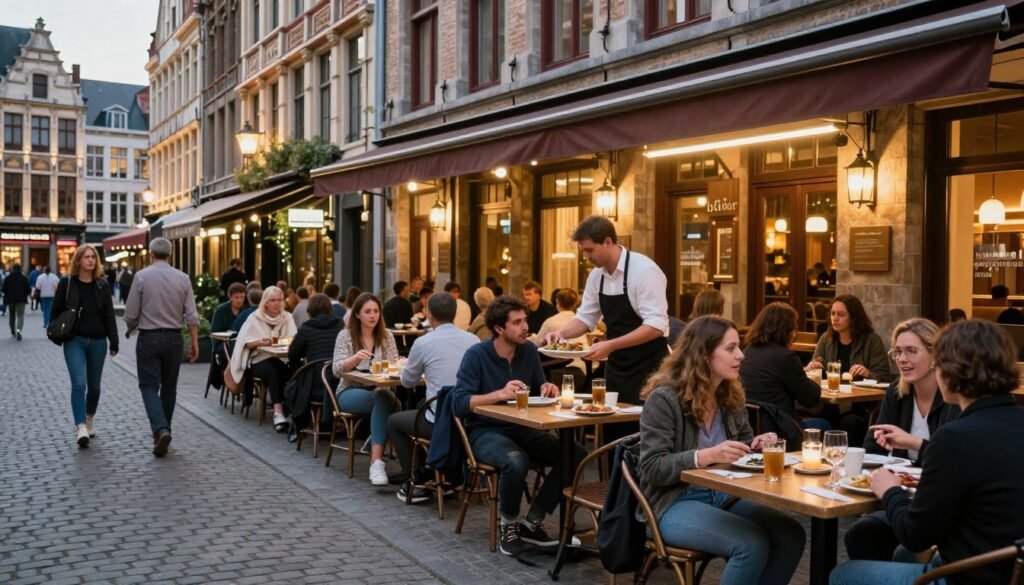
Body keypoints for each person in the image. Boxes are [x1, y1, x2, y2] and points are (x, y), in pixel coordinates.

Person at [830, 319, 1024, 585]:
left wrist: (890, 490)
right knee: (896, 551)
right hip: (1010, 567)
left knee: (843, 575)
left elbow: (915, 535)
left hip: (969, 576)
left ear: (949, 372)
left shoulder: (955, 438)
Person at [638, 316, 806, 585]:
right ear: (703, 354)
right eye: (731, 348)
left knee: (791, 534)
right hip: (674, 502)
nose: (741, 355)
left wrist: (756, 446)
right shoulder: (665, 398)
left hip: (725, 495)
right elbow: (652, 468)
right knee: (750, 544)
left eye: (739, 346)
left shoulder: (730, 394)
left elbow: (742, 445)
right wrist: (705, 456)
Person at [451, 295, 585, 556]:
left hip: (524, 428)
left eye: (525, 320)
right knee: (515, 460)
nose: (525, 327)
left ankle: (532, 521)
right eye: (517, 322)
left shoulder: (529, 351)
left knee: (575, 454)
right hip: (485, 431)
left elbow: (538, 387)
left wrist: (547, 387)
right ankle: (509, 525)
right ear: (499, 328)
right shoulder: (477, 355)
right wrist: (498, 394)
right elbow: (459, 403)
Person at [843, 317, 961, 562]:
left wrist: (912, 442)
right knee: (861, 533)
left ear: (935, 354)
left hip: (938, 501)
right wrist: (880, 443)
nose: (902, 359)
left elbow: (952, 461)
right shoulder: (897, 392)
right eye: (897, 352)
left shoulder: (953, 397)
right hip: (902, 494)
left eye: (911, 351)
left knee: (899, 546)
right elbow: (871, 447)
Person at [545, 216, 670, 441]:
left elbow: (656, 326)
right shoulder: (596, 276)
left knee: (645, 434)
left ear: (608, 242)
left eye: (589, 250)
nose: (586, 257)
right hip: (617, 368)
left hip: (650, 367)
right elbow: (586, 318)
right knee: (614, 433)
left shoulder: (644, 271)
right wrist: (562, 333)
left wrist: (610, 345)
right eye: (583, 251)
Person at [388, 292, 479, 500]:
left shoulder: (423, 343)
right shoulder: (473, 340)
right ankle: (437, 471)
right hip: (469, 418)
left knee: (394, 421)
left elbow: (407, 382)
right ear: (455, 313)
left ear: (429, 315)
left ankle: (416, 478)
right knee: (423, 403)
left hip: (440, 421)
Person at [124, 238, 199, 457]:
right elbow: (191, 315)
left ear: (151, 254)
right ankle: (164, 430)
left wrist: (130, 328)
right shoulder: (183, 278)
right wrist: (194, 341)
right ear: (170, 255)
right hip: (174, 338)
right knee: (169, 387)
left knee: (148, 386)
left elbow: (131, 313)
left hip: (149, 337)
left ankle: (160, 429)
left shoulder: (141, 276)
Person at [53, 246, 118, 447]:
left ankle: (89, 417)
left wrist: (114, 340)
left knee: (95, 387)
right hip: (75, 340)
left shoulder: (102, 285)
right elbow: (55, 312)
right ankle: (81, 426)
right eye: (86, 257)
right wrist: (60, 331)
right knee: (79, 383)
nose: (91, 260)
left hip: (98, 341)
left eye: (93, 257)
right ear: (78, 260)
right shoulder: (67, 283)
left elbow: (109, 314)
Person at [332, 293, 400, 485]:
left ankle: (375, 450)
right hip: (349, 390)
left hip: (380, 389)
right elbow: (336, 369)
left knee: (386, 397)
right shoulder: (345, 336)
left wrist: (399, 365)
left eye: (376, 311)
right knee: (389, 401)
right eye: (367, 311)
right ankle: (376, 462)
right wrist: (355, 358)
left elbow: (394, 365)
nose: (372, 315)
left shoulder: (387, 336)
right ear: (357, 314)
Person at [806, 294, 892, 444]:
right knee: (820, 421)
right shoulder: (826, 339)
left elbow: (885, 376)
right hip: (830, 405)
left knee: (850, 422)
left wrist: (868, 373)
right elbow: (814, 366)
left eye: (841, 314)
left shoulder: (871, 340)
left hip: (860, 407)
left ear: (853, 318)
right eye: (833, 313)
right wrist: (814, 367)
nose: (835, 318)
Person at [740, 302, 827, 428]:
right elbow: (810, 399)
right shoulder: (786, 357)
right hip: (781, 427)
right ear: (787, 330)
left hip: (752, 426)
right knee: (825, 424)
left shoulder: (748, 352)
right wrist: (814, 381)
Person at [228, 286, 298, 432]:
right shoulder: (254, 318)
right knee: (272, 370)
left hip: (281, 359)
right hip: (258, 360)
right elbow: (244, 342)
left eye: (279, 300)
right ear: (265, 302)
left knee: (294, 370)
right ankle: (278, 412)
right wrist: (258, 342)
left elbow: (293, 339)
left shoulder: (287, 317)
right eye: (273, 300)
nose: (277, 303)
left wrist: (277, 342)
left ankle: (293, 409)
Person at [287, 293, 343, 439]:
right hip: (338, 383)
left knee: (292, 385)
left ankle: (298, 424)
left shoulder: (306, 329)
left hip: (315, 386)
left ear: (310, 310)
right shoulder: (340, 326)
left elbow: (292, 355)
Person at [210, 282, 247, 359]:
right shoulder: (221, 311)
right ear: (230, 297)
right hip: (223, 343)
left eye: (242, 297)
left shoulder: (245, 310)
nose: (239, 300)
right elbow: (215, 332)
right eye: (236, 297)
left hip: (241, 342)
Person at [1, 263, 30, 340]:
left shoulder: (8, 278)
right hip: (21, 300)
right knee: (20, 316)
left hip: (10, 300)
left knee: (12, 315)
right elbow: (28, 290)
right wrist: (24, 294)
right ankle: (18, 330)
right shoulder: (24, 278)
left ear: (12, 269)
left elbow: (3, 289)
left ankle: (13, 330)